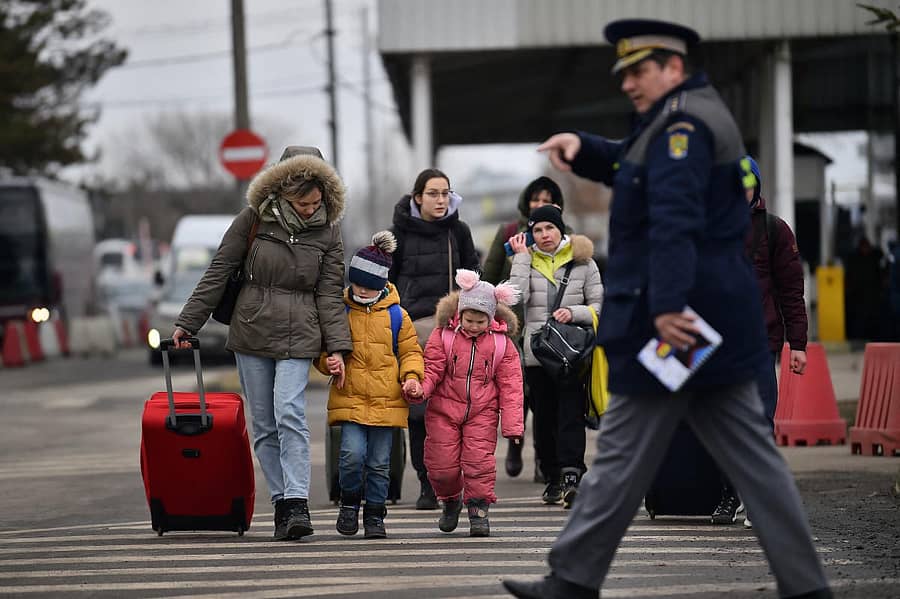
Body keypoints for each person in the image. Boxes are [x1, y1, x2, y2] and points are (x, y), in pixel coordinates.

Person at [503, 19, 831, 599]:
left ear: (673, 68)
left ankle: (572, 580)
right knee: (709, 454)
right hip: (701, 323)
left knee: (638, 448)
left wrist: (666, 307)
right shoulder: (679, 118)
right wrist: (587, 151)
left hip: (681, 323)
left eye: (639, 71)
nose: (628, 83)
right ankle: (805, 587)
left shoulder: (684, 126)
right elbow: (634, 163)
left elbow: (677, 222)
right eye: (624, 73)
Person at [172, 146, 352, 541]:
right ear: (283, 191)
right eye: (303, 203)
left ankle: (298, 502)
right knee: (264, 423)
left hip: (300, 332)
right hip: (251, 330)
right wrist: (189, 322)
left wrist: (337, 346)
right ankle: (281, 503)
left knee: (290, 411)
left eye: (317, 202)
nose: (310, 209)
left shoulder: (329, 231)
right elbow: (219, 270)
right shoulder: (254, 219)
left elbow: (329, 293)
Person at [712, 156, 810, 528]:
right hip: (717, 345)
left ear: (757, 187)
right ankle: (729, 495)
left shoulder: (775, 231)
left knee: (758, 421)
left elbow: (790, 291)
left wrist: (797, 344)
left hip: (760, 342)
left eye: (746, 185)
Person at [317, 231, 424, 539]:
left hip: (387, 400)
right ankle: (349, 504)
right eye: (357, 283)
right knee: (350, 457)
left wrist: (412, 378)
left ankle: (375, 514)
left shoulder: (396, 316)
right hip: (349, 399)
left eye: (368, 286)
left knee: (379, 465)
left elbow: (410, 353)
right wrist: (329, 362)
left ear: (381, 285)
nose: (361, 290)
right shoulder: (339, 312)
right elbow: (323, 350)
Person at [389, 168, 480, 510]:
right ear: (417, 197)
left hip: (454, 331)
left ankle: (455, 481)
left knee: (456, 409)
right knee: (418, 410)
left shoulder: (458, 232)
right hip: (413, 331)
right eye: (433, 193)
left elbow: (474, 276)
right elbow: (389, 283)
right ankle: (427, 483)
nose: (440, 200)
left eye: (445, 193)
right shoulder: (397, 234)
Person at [507, 204, 603, 509]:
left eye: (550, 228)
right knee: (544, 418)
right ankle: (552, 477)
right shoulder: (526, 260)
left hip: (572, 353)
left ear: (561, 230)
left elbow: (600, 307)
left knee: (571, 416)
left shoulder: (583, 262)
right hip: (537, 355)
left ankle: (572, 474)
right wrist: (521, 260)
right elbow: (514, 298)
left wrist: (574, 312)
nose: (544, 235)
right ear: (530, 234)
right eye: (537, 230)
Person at [415, 269, 524, 536]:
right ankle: (450, 501)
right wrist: (419, 390)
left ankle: (478, 511)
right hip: (443, 411)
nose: (474, 326)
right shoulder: (443, 337)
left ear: (490, 319)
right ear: (459, 315)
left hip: (482, 413)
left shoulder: (501, 345)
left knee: (479, 463)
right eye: (469, 320)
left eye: (480, 321)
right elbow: (432, 369)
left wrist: (513, 426)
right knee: (441, 467)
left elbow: (511, 386)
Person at [482, 176, 565, 483]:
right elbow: (489, 277)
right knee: (520, 394)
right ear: (526, 202)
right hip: (511, 328)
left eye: (547, 199)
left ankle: (546, 461)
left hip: (553, 332)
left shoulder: (565, 237)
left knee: (547, 398)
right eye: (535, 199)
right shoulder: (509, 234)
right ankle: (516, 444)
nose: (540, 205)